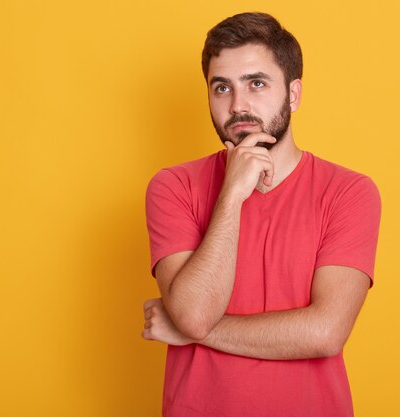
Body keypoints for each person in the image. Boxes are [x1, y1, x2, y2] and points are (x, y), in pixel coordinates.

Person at [141, 12, 381, 417]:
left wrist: (191, 330)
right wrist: (233, 193)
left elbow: (325, 333)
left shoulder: (350, 192)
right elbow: (195, 312)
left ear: (293, 94)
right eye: (222, 88)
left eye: (256, 83)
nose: (238, 105)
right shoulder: (173, 186)